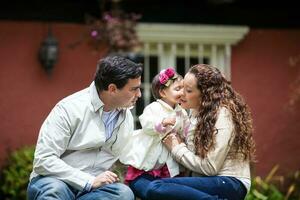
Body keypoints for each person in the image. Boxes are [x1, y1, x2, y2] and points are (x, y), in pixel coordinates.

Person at [27, 56, 143, 200]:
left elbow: (122, 160)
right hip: (56, 180)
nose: (139, 94)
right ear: (112, 89)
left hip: (93, 191)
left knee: (123, 194)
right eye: (134, 89)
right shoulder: (69, 109)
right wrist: (88, 181)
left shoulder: (126, 117)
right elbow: (43, 160)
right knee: (55, 190)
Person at [144, 64, 256, 200]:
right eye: (181, 87)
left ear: (206, 94)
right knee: (148, 185)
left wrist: (177, 148)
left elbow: (210, 167)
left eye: (189, 90)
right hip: (208, 180)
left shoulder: (223, 114)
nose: (181, 94)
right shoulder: (194, 112)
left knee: (156, 187)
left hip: (230, 182)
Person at [119, 67, 189, 199]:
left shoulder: (182, 112)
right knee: (149, 179)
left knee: (168, 185)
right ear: (163, 92)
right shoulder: (154, 107)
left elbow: (185, 129)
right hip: (151, 153)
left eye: (183, 89)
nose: (182, 92)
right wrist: (162, 123)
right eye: (177, 89)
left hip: (168, 157)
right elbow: (146, 123)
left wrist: (185, 133)